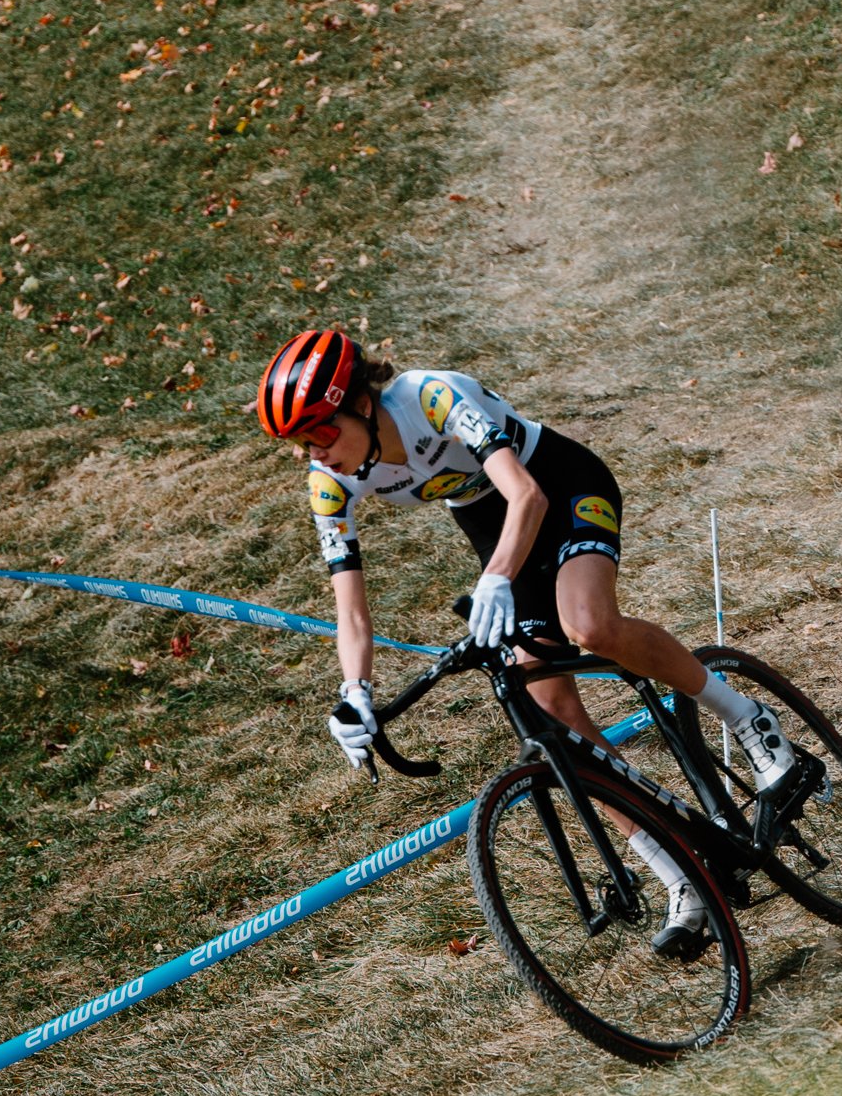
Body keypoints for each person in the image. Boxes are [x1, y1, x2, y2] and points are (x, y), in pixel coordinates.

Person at [255, 327, 803, 953]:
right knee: (551, 712)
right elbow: (350, 611)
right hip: (492, 527)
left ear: (360, 403)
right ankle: (679, 873)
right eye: (301, 446)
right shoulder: (331, 483)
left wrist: (495, 580)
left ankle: (750, 721)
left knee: (589, 625)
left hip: (560, 488)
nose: (316, 456)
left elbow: (527, 493)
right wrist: (354, 692)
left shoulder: (432, 398)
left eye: (321, 434)